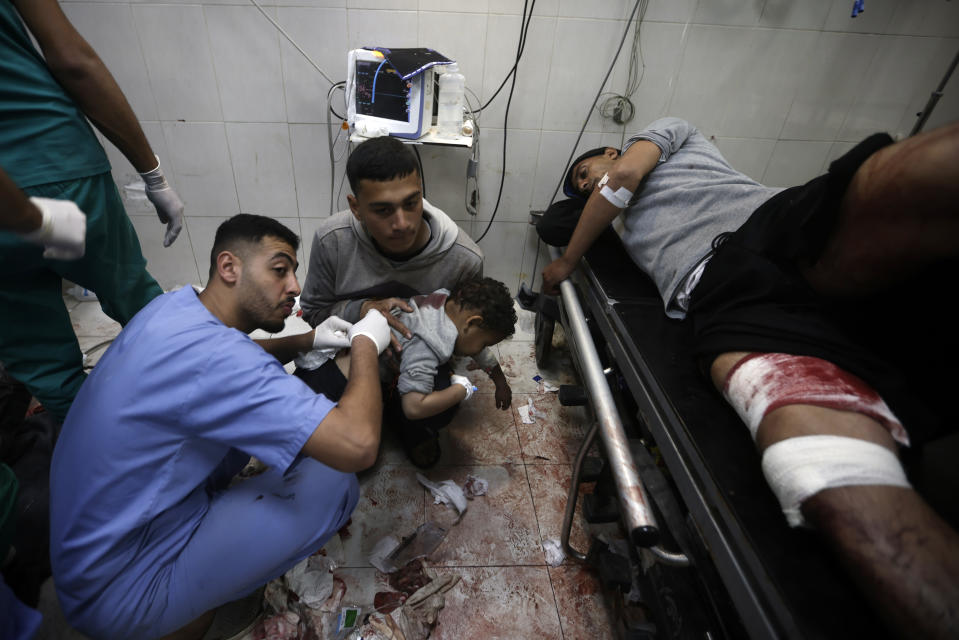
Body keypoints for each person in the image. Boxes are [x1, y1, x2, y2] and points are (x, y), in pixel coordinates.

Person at [541, 117, 959, 639]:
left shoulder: (668, 136)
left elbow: (624, 173)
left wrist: (569, 261)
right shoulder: (608, 221)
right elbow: (555, 223)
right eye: (580, 185)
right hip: (721, 291)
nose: (587, 184)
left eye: (586, 171)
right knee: (814, 464)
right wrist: (587, 215)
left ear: (609, 148)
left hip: (770, 225)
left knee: (888, 183)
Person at [49, 215, 391, 640]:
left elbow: (235, 354)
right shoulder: (219, 361)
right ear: (229, 267)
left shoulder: (174, 306)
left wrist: (308, 340)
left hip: (90, 548)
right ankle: (175, 620)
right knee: (335, 482)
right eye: (280, 269)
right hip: (119, 590)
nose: (295, 287)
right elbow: (358, 444)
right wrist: (366, 343)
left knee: (240, 440)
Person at [0, 0, 185, 422]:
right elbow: (73, 60)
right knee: (139, 305)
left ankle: (106, 460)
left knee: (43, 359)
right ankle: (190, 427)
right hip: (59, 165)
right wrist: (152, 174)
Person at [300, 135, 511, 466]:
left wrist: (424, 367)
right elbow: (312, 312)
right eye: (382, 210)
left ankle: (407, 426)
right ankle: (374, 414)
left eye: (411, 203)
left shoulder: (464, 259)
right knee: (315, 408)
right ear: (355, 207)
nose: (402, 223)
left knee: (439, 405)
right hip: (350, 353)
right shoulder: (333, 240)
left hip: (417, 362)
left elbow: (462, 339)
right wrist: (363, 311)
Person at [297, 277, 516, 445]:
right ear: (471, 323)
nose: (481, 350)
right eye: (485, 343)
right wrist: (461, 389)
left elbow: (474, 346)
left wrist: (500, 381)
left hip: (328, 365)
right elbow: (414, 407)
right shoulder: (428, 344)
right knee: (345, 453)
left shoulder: (442, 302)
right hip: (334, 391)